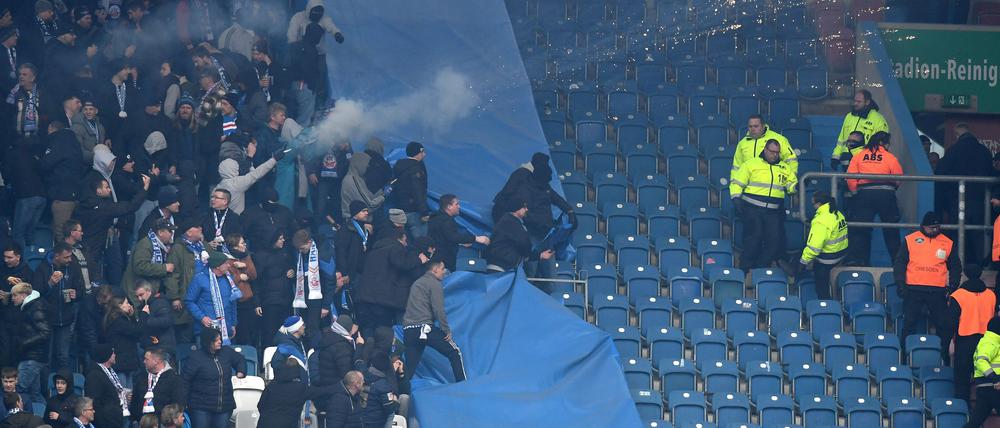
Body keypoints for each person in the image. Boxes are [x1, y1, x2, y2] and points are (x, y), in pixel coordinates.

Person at [491, 153, 575, 278]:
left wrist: (570, 211)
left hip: (546, 235)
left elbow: (557, 199)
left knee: (549, 274)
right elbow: (510, 200)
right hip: (533, 234)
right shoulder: (524, 182)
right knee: (531, 272)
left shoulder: (544, 185)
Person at [895, 212, 962, 359]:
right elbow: (899, 264)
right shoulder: (910, 240)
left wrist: (952, 286)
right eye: (931, 227)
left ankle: (942, 356)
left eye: (937, 227)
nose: (934, 230)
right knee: (909, 324)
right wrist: (901, 284)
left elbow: (956, 267)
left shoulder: (947, 242)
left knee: (942, 326)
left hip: (937, 291)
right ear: (923, 226)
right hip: (913, 289)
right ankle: (903, 356)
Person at [356, 229, 429, 356]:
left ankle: (365, 357)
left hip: (365, 298)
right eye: (406, 240)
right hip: (382, 300)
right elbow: (402, 264)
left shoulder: (373, 251)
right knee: (383, 333)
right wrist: (419, 260)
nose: (406, 244)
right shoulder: (395, 248)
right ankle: (381, 360)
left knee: (368, 331)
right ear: (402, 238)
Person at [730, 139, 797, 271]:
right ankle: (745, 269)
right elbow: (737, 183)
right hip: (752, 208)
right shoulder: (751, 164)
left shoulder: (785, 168)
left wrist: (797, 186)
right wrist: (736, 198)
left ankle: (761, 270)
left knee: (774, 241)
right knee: (754, 239)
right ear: (765, 150)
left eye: (777, 152)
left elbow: (790, 187)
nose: (774, 155)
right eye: (772, 152)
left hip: (772, 212)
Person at [75, 167, 150, 285]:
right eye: (106, 187)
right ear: (98, 191)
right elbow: (131, 207)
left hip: (80, 250)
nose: (110, 190)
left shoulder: (81, 206)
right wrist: (144, 188)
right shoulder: (104, 208)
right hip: (94, 252)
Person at [936, 123, 993, 264]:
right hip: (979, 201)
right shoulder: (984, 151)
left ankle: (957, 265)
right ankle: (981, 266)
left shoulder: (953, 150)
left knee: (957, 234)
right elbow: (991, 173)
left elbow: (940, 173)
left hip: (957, 201)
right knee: (978, 234)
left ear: (957, 135)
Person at [402, 258, 466, 383]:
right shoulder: (434, 284)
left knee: (409, 367)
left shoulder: (417, 283)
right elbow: (439, 309)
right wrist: (446, 329)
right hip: (424, 328)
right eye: (442, 269)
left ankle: (400, 393)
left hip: (409, 330)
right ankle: (463, 385)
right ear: (435, 269)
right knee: (455, 352)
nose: (444, 272)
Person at [845, 131, 903, 266]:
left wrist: (855, 192)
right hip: (886, 195)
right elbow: (899, 177)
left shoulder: (859, 156)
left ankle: (862, 263)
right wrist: (891, 190)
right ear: (883, 143)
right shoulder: (890, 157)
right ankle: (897, 263)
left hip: (864, 194)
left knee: (862, 230)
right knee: (891, 230)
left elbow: (850, 177)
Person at [948, 264, 997, 402]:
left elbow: (951, 322)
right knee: (985, 379)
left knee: (962, 379)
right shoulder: (991, 295)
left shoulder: (958, 295)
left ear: (965, 274)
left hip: (965, 341)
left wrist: (949, 341)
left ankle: (963, 411)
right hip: (986, 342)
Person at [32, 243, 84, 371]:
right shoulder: (43, 268)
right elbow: (34, 293)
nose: (70, 260)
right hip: (46, 321)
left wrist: (76, 294)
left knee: (63, 357)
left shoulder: (73, 267)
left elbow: (81, 288)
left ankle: (65, 388)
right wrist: (49, 284)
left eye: (70, 256)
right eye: (66, 257)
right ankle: (45, 390)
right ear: (57, 256)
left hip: (65, 320)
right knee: (46, 358)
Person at [181, 328, 246, 428]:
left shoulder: (226, 351)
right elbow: (185, 381)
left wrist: (240, 371)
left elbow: (240, 359)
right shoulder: (195, 357)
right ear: (208, 342)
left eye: (220, 339)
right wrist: (182, 403)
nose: (220, 342)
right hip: (201, 407)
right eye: (216, 340)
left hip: (224, 406)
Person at [792, 191, 848, 300]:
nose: (813, 206)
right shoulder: (837, 213)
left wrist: (802, 262)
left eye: (813, 204)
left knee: (821, 284)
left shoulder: (821, 221)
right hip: (841, 253)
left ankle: (825, 302)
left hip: (828, 258)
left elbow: (814, 247)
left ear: (819, 204)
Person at [258, 357, 338, 428]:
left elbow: (260, 405)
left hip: (265, 423)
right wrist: (339, 386)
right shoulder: (300, 388)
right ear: (297, 371)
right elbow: (321, 391)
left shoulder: (272, 385)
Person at [40, 120, 85, 243]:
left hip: (62, 195)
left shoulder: (57, 141)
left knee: (62, 234)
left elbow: (46, 164)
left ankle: (65, 260)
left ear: (50, 128)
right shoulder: (74, 142)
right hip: (75, 194)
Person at [485, 196, 554, 274]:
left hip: (498, 266)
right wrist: (534, 254)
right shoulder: (512, 223)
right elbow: (524, 243)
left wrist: (540, 256)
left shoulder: (506, 220)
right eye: (524, 207)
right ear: (516, 208)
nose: (526, 209)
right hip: (501, 268)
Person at [163, 219, 204, 344]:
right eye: (197, 227)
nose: (201, 229)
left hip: (203, 299)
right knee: (185, 338)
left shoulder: (204, 246)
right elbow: (172, 275)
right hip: (185, 299)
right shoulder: (178, 249)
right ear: (189, 232)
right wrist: (174, 297)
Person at [184, 252, 239, 343]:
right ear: (217, 266)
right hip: (206, 329)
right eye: (225, 263)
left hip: (226, 328)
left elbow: (232, 302)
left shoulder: (229, 279)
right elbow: (189, 301)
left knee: (226, 356)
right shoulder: (199, 279)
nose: (229, 265)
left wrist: (233, 323)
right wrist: (202, 317)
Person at [290, 229, 336, 339]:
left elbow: (330, 281)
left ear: (309, 242)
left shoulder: (324, 253)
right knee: (304, 329)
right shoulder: (300, 253)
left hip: (318, 300)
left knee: (313, 331)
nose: (300, 251)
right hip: (302, 299)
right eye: (298, 249)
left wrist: (325, 306)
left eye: (302, 248)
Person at [215, 142, 283, 214]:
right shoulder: (237, 184)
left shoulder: (217, 187)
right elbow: (257, 174)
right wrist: (274, 159)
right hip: (236, 220)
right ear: (234, 169)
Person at [428, 194, 490, 272]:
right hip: (445, 262)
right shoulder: (447, 221)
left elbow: (442, 237)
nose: (459, 206)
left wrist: (460, 242)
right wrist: (476, 238)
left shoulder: (434, 218)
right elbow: (453, 237)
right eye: (456, 204)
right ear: (449, 206)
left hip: (436, 259)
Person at [10, 282, 49, 407]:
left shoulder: (35, 308)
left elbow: (45, 332)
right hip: (32, 356)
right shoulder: (29, 307)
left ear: (23, 295)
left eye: (14, 295)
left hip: (32, 357)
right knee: (34, 394)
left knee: (19, 389)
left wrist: (24, 343)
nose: (12, 298)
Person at [831, 89, 889, 170]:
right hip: (846, 161)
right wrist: (835, 156)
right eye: (854, 101)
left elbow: (882, 143)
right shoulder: (849, 116)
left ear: (867, 102)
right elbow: (841, 139)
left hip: (865, 162)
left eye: (859, 101)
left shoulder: (878, 119)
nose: (855, 104)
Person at [253, 231, 293, 348]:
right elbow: (256, 281)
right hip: (269, 302)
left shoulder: (285, 253)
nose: (283, 240)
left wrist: (292, 271)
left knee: (286, 333)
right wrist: (257, 303)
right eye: (280, 238)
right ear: (273, 239)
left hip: (285, 300)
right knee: (269, 334)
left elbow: (291, 267)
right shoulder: (260, 257)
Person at [122, 219, 175, 303]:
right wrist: (164, 268)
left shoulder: (162, 247)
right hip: (136, 295)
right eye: (170, 231)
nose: (172, 234)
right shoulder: (145, 244)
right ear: (160, 232)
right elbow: (140, 267)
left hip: (147, 294)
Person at [731, 115, 798, 179]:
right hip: (749, 187)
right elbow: (737, 167)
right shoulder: (742, 143)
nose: (753, 129)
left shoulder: (779, 139)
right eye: (750, 126)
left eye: (756, 126)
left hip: (772, 185)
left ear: (763, 126)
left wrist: (790, 179)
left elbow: (791, 159)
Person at [128, 348, 185, 420]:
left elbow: (178, 404)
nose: (144, 361)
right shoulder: (141, 378)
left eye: (146, 359)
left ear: (156, 361)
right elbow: (135, 402)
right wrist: (134, 420)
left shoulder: (174, 379)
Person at [964, 317, 1000, 428]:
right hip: (994, 387)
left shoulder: (988, 341)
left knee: (974, 422)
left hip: (986, 388)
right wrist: (995, 379)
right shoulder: (991, 342)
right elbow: (981, 361)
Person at [224, 233, 258, 348]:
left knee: (249, 333)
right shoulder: (226, 260)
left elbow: (253, 275)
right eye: (242, 243)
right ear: (235, 246)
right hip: (235, 303)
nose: (245, 245)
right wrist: (239, 277)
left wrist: (244, 265)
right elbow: (225, 280)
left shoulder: (246, 256)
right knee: (238, 334)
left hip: (247, 301)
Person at [83, 344, 127, 428]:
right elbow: (94, 401)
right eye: (113, 353)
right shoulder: (94, 375)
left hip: (114, 420)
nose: (115, 355)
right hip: (105, 423)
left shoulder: (110, 373)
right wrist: (104, 421)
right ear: (107, 355)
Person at [101, 295, 141, 385]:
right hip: (121, 361)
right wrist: (144, 315)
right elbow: (136, 331)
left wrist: (132, 317)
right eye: (126, 303)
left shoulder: (117, 319)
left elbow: (134, 333)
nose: (129, 305)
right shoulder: (118, 320)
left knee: (128, 393)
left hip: (125, 361)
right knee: (123, 392)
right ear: (119, 305)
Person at [335, 202, 371, 303]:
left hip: (363, 272)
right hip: (352, 275)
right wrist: (345, 273)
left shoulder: (365, 228)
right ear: (355, 213)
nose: (367, 213)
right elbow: (341, 253)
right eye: (363, 211)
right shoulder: (346, 230)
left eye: (367, 210)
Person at [317, 315, 364, 389]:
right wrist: (359, 346)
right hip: (336, 389)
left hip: (327, 385)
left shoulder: (328, 337)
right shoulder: (342, 347)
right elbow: (347, 375)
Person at [393, 141, 429, 238]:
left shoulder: (398, 167)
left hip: (401, 210)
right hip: (415, 211)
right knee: (420, 242)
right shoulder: (416, 169)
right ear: (417, 153)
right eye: (422, 152)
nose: (424, 155)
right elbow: (417, 191)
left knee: (404, 240)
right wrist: (424, 211)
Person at [340, 153, 387, 222]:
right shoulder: (352, 181)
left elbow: (366, 196)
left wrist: (380, 193)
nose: (367, 167)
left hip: (357, 219)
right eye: (366, 164)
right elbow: (368, 205)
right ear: (359, 164)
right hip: (356, 222)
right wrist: (384, 196)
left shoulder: (357, 178)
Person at [134, 280, 176, 355]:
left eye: (141, 295)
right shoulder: (144, 306)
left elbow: (167, 321)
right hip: (151, 347)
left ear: (149, 291)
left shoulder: (160, 302)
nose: (139, 299)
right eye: (137, 296)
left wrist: (146, 320)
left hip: (162, 347)